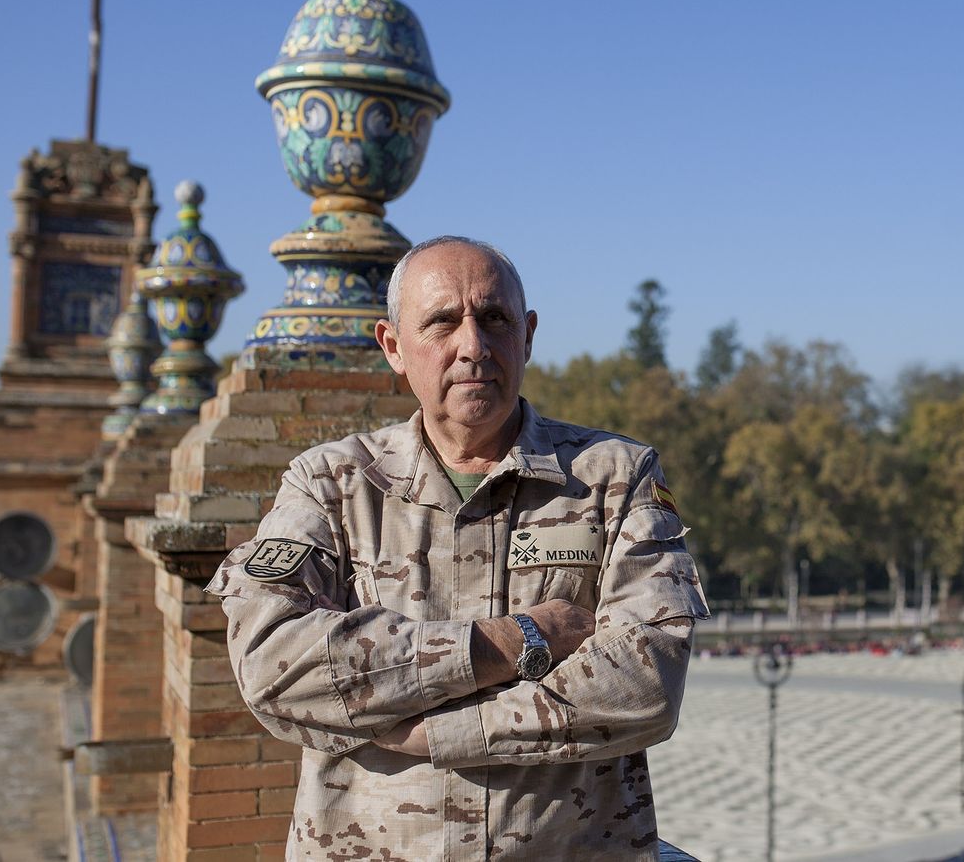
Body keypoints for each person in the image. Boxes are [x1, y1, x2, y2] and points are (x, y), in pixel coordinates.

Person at [206, 236, 709, 860]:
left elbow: (647, 680)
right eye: (442, 321)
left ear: (526, 335)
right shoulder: (332, 485)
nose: (473, 345)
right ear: (393, 346)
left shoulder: (613, 477)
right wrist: (514, 639)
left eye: (494, 319)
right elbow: (271, 661)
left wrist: (439, 730)